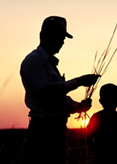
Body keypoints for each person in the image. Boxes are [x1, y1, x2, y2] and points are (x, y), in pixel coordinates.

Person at [20, 16, 100, 164]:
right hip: (43, 130)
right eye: (59, 36)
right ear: (43, 36)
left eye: (63, 37)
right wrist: (79, 81)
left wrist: (78, 106)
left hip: (56, 129)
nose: (62, 41)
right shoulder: (34, 60)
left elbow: (57, 97)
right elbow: (45, 91)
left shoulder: (50, 64)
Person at [87, 83, 117, 164]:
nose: (114, 101)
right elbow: (88, 139)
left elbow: (88, 139)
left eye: (114, 98)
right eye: (110, 99)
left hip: (113, 158)